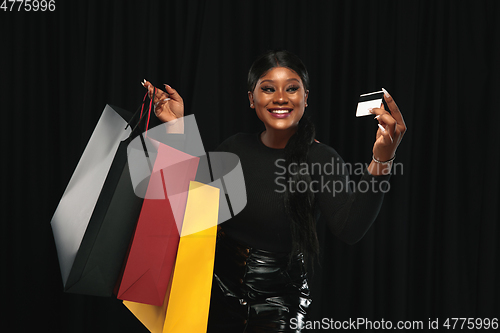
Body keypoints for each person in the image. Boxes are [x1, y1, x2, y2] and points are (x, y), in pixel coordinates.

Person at [142, 50, 406, 332]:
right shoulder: (234, 148)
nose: (280, 97)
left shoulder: (321, 159)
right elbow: (192, 205)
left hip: (280, 303)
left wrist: (383, 159)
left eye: (292, 88)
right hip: (214, 294)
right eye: (268, 89)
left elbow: (351, 229)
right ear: (251, 99)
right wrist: (177, 128)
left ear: (306, 97)